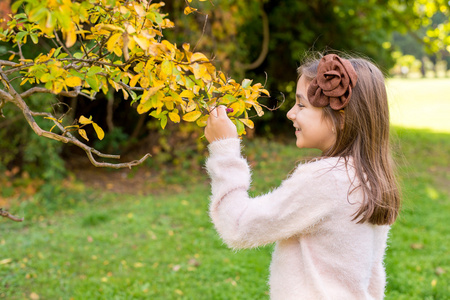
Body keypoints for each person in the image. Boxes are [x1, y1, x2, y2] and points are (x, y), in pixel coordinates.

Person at [203, 53, 401, 300]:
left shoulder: (325, 180)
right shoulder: (369, 177)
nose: (290, 114)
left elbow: (238, 227)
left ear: (340, 118)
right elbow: (372, 274)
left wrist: (225, 149)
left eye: (302, 105)